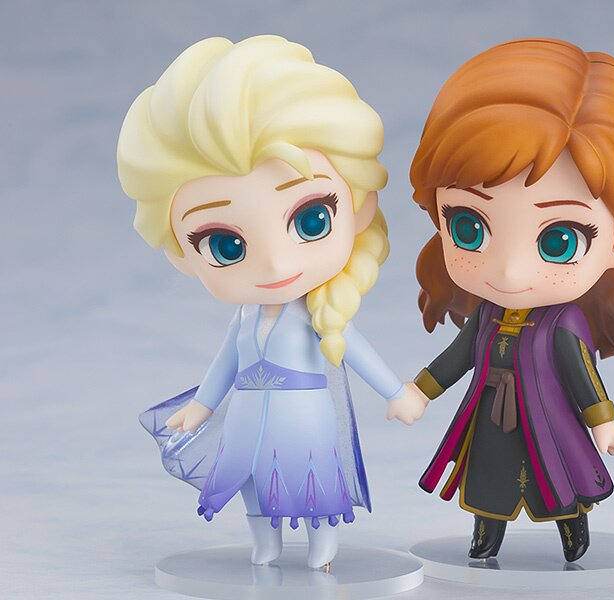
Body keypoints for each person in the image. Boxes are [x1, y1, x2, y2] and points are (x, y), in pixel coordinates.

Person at [117, 35, 427, 569]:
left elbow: (354, 350)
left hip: (303, 416)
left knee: (310, 483)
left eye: (311, 220)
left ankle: (322, 545)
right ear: (181, 255)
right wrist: (201, 407)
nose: (277, 265)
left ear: (358, 207)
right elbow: (225, 363)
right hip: (246, 415)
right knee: (252, 482)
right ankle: (266, 543)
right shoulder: (244, 318)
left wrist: (397, 392)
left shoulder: (319, 314)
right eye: (226, 245)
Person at [406, 38, 614, 562]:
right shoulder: (486, 314)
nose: (509, 271)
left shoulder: (564, 321)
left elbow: (581, 372)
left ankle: (572, 528)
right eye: (469, 226)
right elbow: (458, 356)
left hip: (549, 416)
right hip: (489, 417)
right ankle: (486, 532)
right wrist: (419, 391)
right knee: (487, 477)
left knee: (559, 475)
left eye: (560, 240)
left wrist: (602, 421)